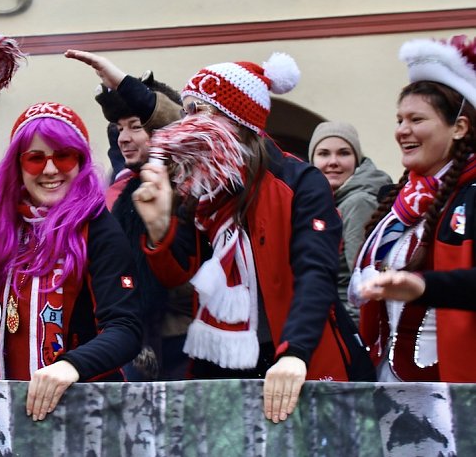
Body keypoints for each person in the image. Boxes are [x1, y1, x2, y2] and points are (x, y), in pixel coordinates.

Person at [132, 53, 372, 423]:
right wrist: (160, 227)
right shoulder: (198, 190)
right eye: (187, 111)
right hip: (223, 363)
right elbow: (178, 276)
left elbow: (315, 274)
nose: (188, 124)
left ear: (238, 120)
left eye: (202, 112)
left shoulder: (299, 182)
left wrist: (294, 353)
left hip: (298, 355)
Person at [0, 38, 142, 421]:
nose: (49, 169)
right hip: (10, 406)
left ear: (80, 160)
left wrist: (70, 366)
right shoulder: (4, 210)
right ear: (18, 164)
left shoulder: (98, 228)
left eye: (63, 156)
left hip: (82, 408)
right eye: (35, 158)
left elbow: (124, 328)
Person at [349, 34, 476, 383]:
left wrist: (423, 286)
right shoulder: (402, 198)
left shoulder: (472, 194)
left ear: (460, 128)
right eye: (399, 119)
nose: (402, 130)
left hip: (455, 386)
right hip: (387, 377)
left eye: (417, 120)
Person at [65, 49, 191, 380]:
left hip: (183, 344)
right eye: (118, 128)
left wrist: (123, 82)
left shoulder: (191, 181)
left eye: (136, 126)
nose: (124, 138)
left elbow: (177, 123)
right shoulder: (121, 191)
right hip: (129, 339)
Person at [309, 122, 392, 323]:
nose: (333, 162)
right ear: (312, 161)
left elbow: (363, 283)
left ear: (357, 160)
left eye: (344, 153)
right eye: (324, 154)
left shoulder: (358, 203)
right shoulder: (325, 203)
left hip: (349, 324)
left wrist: (356, 338)